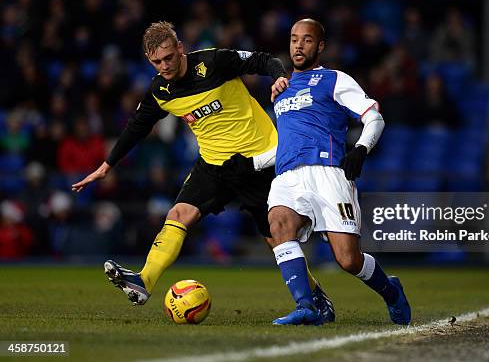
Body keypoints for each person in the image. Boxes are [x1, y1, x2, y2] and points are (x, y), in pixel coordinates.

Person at [72, 21, 335, 322]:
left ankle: (316, 299)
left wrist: (278, 78)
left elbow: (263, 60)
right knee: (178, 214)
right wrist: (107, 166)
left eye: (169, 57)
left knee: (277, 240)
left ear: (180, 48)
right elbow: (138, 126)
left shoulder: (214, 62)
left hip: (258, 161)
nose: (165, 65)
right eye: (157, 61)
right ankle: (144, 280)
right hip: (213, 165)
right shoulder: (161, 91)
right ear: (149, 60)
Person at [267, 18, 411, 325]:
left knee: (348, 259)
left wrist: (361, 149)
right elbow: (286, 140)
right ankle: (307, 306)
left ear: (320, 46)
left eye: (306, 40)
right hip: (288, 175)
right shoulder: (280, 89)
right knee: (278, 225)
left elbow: (374, 117)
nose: (298, 45)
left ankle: (391, 291)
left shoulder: (334, 79)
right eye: (294, 39)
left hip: (329, 173)